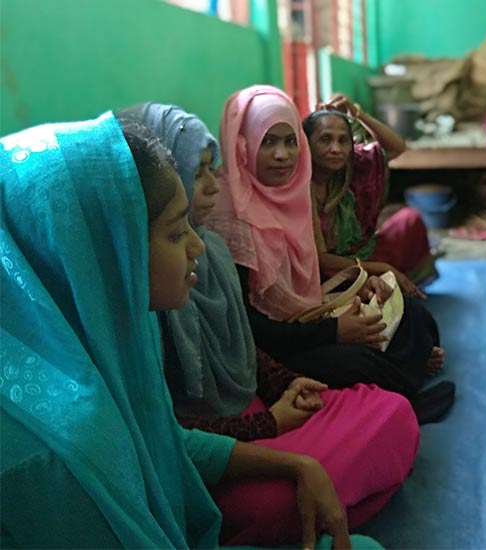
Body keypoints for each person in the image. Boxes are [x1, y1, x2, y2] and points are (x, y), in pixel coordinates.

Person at [0, 112, 382, 549]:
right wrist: (272, 426)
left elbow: (162, 437)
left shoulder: (117, 336)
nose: (198, 243)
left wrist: (297, 463)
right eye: (176, 231)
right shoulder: (50, 456)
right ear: (107, 252)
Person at [121, 103, 420, 546]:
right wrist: (271, 425)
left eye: (213, 169)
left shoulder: (213, 247)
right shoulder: (139, 296)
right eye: (199, 171)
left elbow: (244, 340)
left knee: (392, 407)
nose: (213, 185)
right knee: (274, 499)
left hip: (257, 399)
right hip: (226, 437)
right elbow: (169, 434)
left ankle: (320, 502)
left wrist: (285, 384)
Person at [206, 85, 453, 423]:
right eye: (268, 142)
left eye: (289, 141)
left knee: (405, 308)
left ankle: (412, 369)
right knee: (354, 358)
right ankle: (408, 394)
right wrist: (335, 329)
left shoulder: (288, 195)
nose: (282, 155)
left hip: (302, 311)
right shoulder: (231, 217)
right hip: (267, 346)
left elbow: (304, 278)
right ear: (242, 144)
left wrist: (355, 285)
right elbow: (251, 329)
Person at [303, 93, 437, 297]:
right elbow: (321, 260)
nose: (336, 149)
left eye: (343, 140)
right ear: (306, 144)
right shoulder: (301, 187)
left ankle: (401, 286)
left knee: (409, 220)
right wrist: (379, 268)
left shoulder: (350, 168)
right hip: (330, 272)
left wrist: (358, 114)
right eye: (325, 139)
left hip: (361, 254)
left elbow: (397, 147)